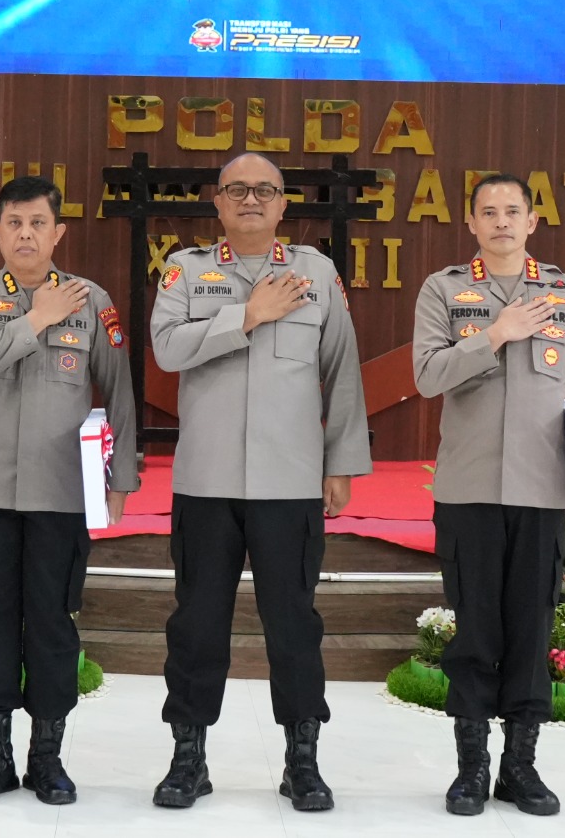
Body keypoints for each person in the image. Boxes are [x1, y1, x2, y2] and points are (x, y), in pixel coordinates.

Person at [149, 154, 371, 812]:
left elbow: (343, 369)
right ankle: (188, 758)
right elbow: (166, 350)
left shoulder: (316, 273)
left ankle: (302, 759)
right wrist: (246, 314)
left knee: (294, 625)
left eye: (264, 190)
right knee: (197, 625)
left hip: (290, 479)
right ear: (217, 202)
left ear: (282, 204)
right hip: (207, 480)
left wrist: (340, 462)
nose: (251, 199)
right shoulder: (186, 270)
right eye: (238, 189)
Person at [411, 174, 565, 818]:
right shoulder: (443, 289)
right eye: (488, 212)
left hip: (540, 488)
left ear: (532, 222)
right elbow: (427, 375)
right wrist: (494, 334)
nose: (501, 221)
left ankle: (520, 766)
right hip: (469, 488)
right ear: (471, 223)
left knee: (532, 629)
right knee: (475, 628)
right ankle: (471, 768)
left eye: (512, 211)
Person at [0, 175, 138, 807]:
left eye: (37, 223)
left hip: (61, 492)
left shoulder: (90, 300)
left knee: (53, 625)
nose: (25, 234)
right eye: (14, 223)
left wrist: (121, 477)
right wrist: (34, 320)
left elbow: (119, 388)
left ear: (58, 233)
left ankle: (47, 757)